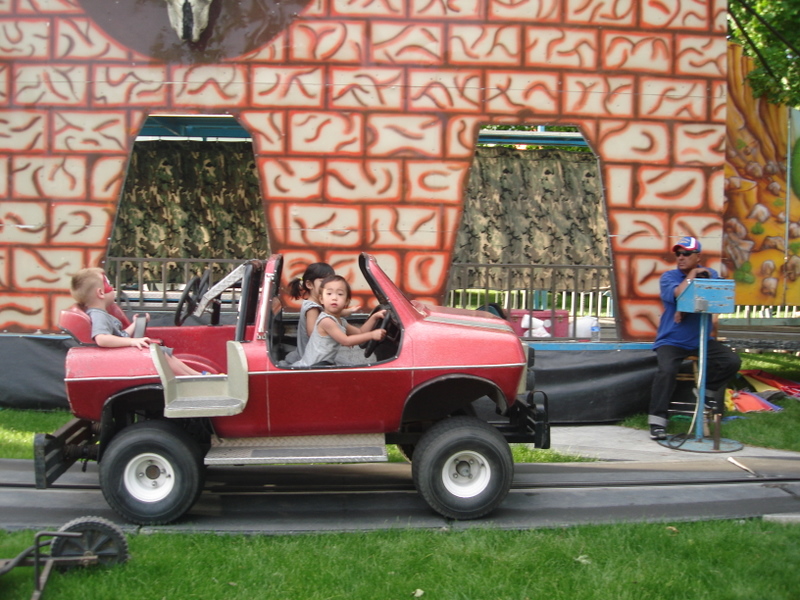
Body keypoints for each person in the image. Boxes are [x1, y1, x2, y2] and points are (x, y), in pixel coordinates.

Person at [648, 237, 741, 441]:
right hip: (672, 340)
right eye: (678, 254)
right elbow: (678, 294)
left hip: (700, 339)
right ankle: (657, 421)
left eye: (686, 254)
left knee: (731, 361)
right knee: (666, 371)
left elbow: (718, 297)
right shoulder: (669, 277)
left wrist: (686, 306)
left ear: (698, 257)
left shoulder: (709, 274)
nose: (681, 257)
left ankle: (706, 392)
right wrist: (691, 276)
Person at [70, 267, 201, 376]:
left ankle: (197, 375)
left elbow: (121, 336)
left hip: (121, 352)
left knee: (164, 352)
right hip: (119, 356)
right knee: (160, 355)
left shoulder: (102, 314)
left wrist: (135, 324)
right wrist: (132, 342)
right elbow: (102, 339)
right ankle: (194, 378)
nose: (113, 288)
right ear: (100, 293)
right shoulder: (98, 315)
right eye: (108, 285)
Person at [293, 275, 386, 368]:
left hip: (322, 366)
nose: (334, 298)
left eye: (340, 294)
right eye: (329, 294)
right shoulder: (326, 321)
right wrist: (372, 335)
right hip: (311, 369)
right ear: (321, 299)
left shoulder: (340, 321)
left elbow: (360, 332)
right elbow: (346, 341)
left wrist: (374, 317)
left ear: (346, 301)